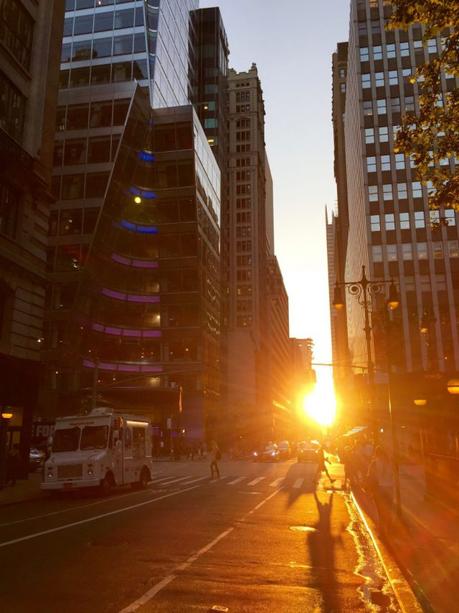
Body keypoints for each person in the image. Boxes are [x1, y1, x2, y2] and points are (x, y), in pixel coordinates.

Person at [366, 446, 393, 535]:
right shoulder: (390, 463)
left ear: (376, 453)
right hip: (390, 488)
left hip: (380, 488)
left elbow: (370, 477)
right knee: (388, 509)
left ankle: (382, 530)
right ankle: (389, 528)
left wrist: (369, 489)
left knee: (380, 511)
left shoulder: (374, 463)